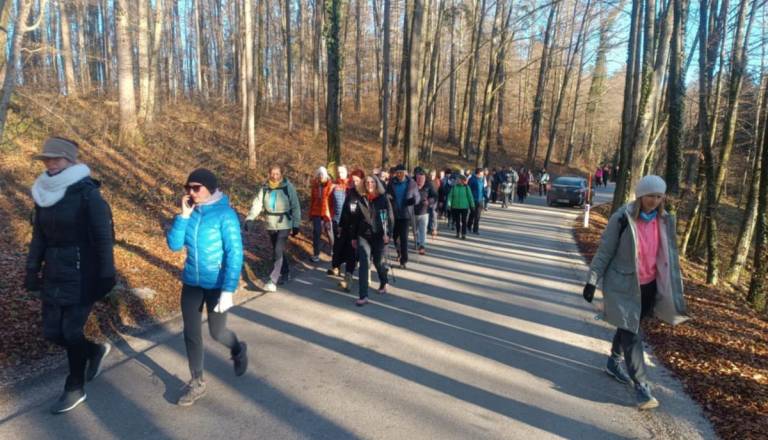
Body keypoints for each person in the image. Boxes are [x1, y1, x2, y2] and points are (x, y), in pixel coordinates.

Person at [582, 175, 689, 411]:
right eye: (650, 195)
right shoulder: (622, 218)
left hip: (649, 286)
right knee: (632, 332)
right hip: (623, 285)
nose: (654, 200)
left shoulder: (665, 220)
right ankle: (642, 387)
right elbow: (605, 251)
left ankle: (614, 361)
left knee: (629, 325)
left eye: (659, 196)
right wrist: (591, 280)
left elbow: (669, 255)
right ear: (641, 195)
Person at [25, 137, 115, 414]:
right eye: (46, 159)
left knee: (70, 330)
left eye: (56, 158)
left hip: (83, 271)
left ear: (71, 161)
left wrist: (107, 273)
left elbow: (102, 238)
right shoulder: (43, 193)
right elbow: (39, 235)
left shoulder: (88, 194)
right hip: (54, 270)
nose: (50, 163)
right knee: (52, 332)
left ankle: (74, 387)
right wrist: (32, 269)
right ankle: (94, 351)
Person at [167, 168, 248, 406]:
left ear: (210, 188)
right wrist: (182, 216)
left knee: (217, 332)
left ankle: (237, 348)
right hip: (192, 282)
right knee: (191, 333)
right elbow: (173, 245)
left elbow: (235, 253)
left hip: (216, 285)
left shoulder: (226, 215)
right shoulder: (188, 213)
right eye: (188, 188)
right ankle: (197, 382)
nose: (191, 192)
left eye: (196, 188)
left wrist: (228, 290)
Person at [244, 164, 301, 292]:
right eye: (272, 173)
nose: (275, 176)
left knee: (277, 249)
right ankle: (285, 272)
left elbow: (296, 206)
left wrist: (296, 224)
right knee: (278, 251)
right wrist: (250, 218)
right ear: (269, 174)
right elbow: (257, 204)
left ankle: (272, 280)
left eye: (277, 174)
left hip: (284, 223)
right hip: (270, 224)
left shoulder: (288, 187)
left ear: (281, 174)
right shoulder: (265, 188)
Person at [349, 176, 394, 306]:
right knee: (364, 262)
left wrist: (388, 234)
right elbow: (355, 220)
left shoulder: (382, 198)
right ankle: (363, 295)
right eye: (367, 182)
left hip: (379, 235)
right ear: (364, 184)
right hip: (363, 235)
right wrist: (353, 237)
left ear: (376, 184)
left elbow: (389, 218)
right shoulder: (360, 198)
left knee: (378, 261)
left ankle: (384, 280)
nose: (369, 184)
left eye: (372, 182)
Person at [386, 164, 420, 269]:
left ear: (405, 172)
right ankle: (399, 252)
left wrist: (412, 201)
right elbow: (386, 195)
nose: (399, 174)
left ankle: (403, 261)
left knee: (404, 238)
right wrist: (388, 198)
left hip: (406, 214)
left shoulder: (411, 183)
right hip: (394, 214)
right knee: (395, 236)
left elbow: (417, 197)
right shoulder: (391, 183)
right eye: (398, 173)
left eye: (401, 172)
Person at [336, 169, 365, 291]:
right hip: (349, 229)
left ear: (362, 180)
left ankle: (365, 275)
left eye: (357, 181)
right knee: (349, 253)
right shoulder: (350, 192)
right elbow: (345, 210)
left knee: (361, 255)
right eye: (352, 180)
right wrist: (341, 225)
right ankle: (348, 278)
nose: (354, 183)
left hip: (362, 230)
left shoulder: (366, 194)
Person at [327, 165, 350, 276]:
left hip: (349, 221)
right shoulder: (334, 186)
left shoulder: (351, 186)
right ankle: (336, 267)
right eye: (338, 172)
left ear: (347, 172)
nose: (340, 174)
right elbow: (329, 202)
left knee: (347, 245)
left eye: (342, 172)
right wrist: (329, 217)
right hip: (336, 219)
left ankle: (348, 270)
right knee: (337, 244)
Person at [309, 166, 334, 263]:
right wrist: (310, 213)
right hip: (316, 212)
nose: (320, 176)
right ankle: (316, 254)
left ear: (325, 175)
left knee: (329, 232)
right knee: (316, 232)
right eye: (319, 174)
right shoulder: (315, 185)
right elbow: (312, 200)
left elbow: (332, 201)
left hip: (327, 212)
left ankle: (334, 250)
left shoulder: (330, 185)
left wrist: (332, 213)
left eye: (322, 174)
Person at [413, 169, 437, 255]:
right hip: (413, 211)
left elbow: (434, 196)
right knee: (415, 230)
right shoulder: (411, 183)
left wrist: (429, 201)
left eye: (422, 179)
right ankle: (417, 242)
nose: (420, 181)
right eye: (418, 179)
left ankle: (422, 245)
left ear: (425, 178)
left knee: (423, 229)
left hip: (424, 211)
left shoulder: (429, 185)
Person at [446, 175, 475, 239]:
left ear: (462, 180)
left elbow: (470, 197)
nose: (456, 181)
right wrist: (449, 204)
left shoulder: (467, 187)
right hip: (455, 207)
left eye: (458, 179)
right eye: (457, 180)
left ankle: (464, 234)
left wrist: (472, 205)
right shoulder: (454, 187)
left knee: (464, 221)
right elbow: (450, 197)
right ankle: (458, 232)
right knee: (457, 221)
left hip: (464, 207)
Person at [467, 168, 485, 234]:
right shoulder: (472, 180)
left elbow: (483, 190)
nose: (483, 174)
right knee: (472, 214)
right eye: (482, 173)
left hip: (480, 201)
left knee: (478, 216)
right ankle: (468, 226)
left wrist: (485, 197)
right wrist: (469, 199)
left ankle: (475, 229)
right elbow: (468, 190)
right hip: (473, 200)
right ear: (478, 173)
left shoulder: (481, 180)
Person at [428, 169, 441, 238]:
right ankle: (429, 228)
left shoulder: (437, 181)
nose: (431, 176)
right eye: (430, 175)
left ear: (435, 175)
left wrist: (441, 201)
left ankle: (434, 229)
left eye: (433, 175)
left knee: (434, 214)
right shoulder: (427, 181)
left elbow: (441, 191)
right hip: (428, 200)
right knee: (429, 214)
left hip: (435, 200)